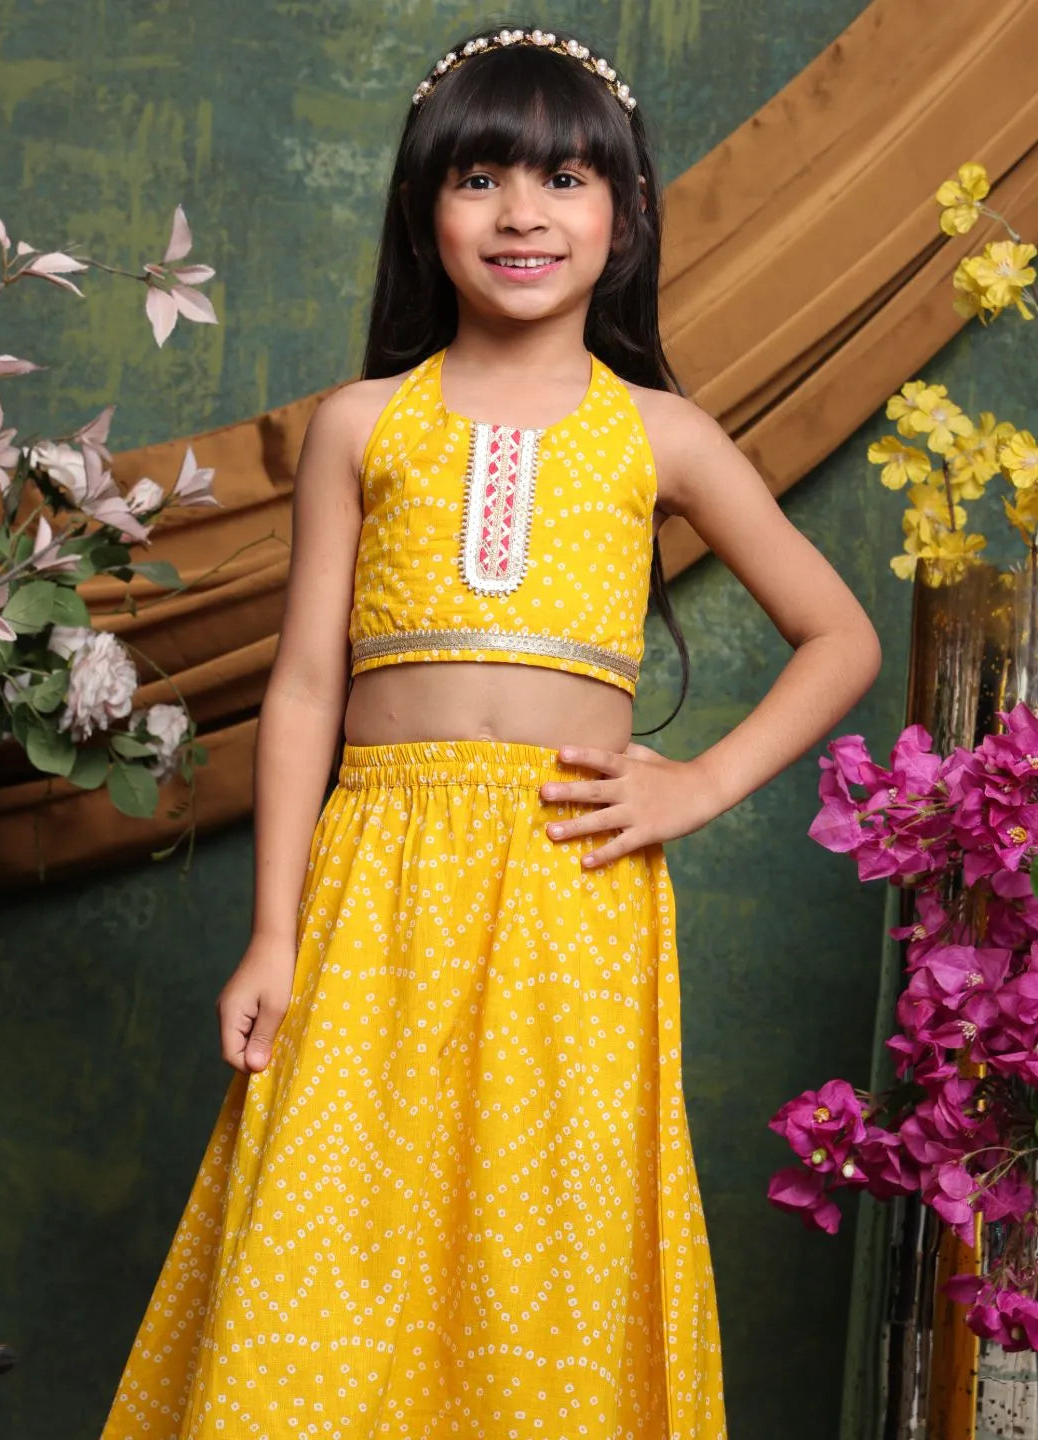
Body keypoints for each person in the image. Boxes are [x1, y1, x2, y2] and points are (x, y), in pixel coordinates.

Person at [101, 23, 880, 1440]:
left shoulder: (664, 436)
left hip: (571, 886)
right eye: (482, 180)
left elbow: (843, 639)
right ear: (423, 210)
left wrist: (696, 781)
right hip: (373, 879)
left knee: (549, 1234)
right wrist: (273, 931)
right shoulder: (360, 424)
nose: (524, 214)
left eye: (568, 180)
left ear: (628, 215)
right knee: (339, 1221)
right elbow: (303, 693)